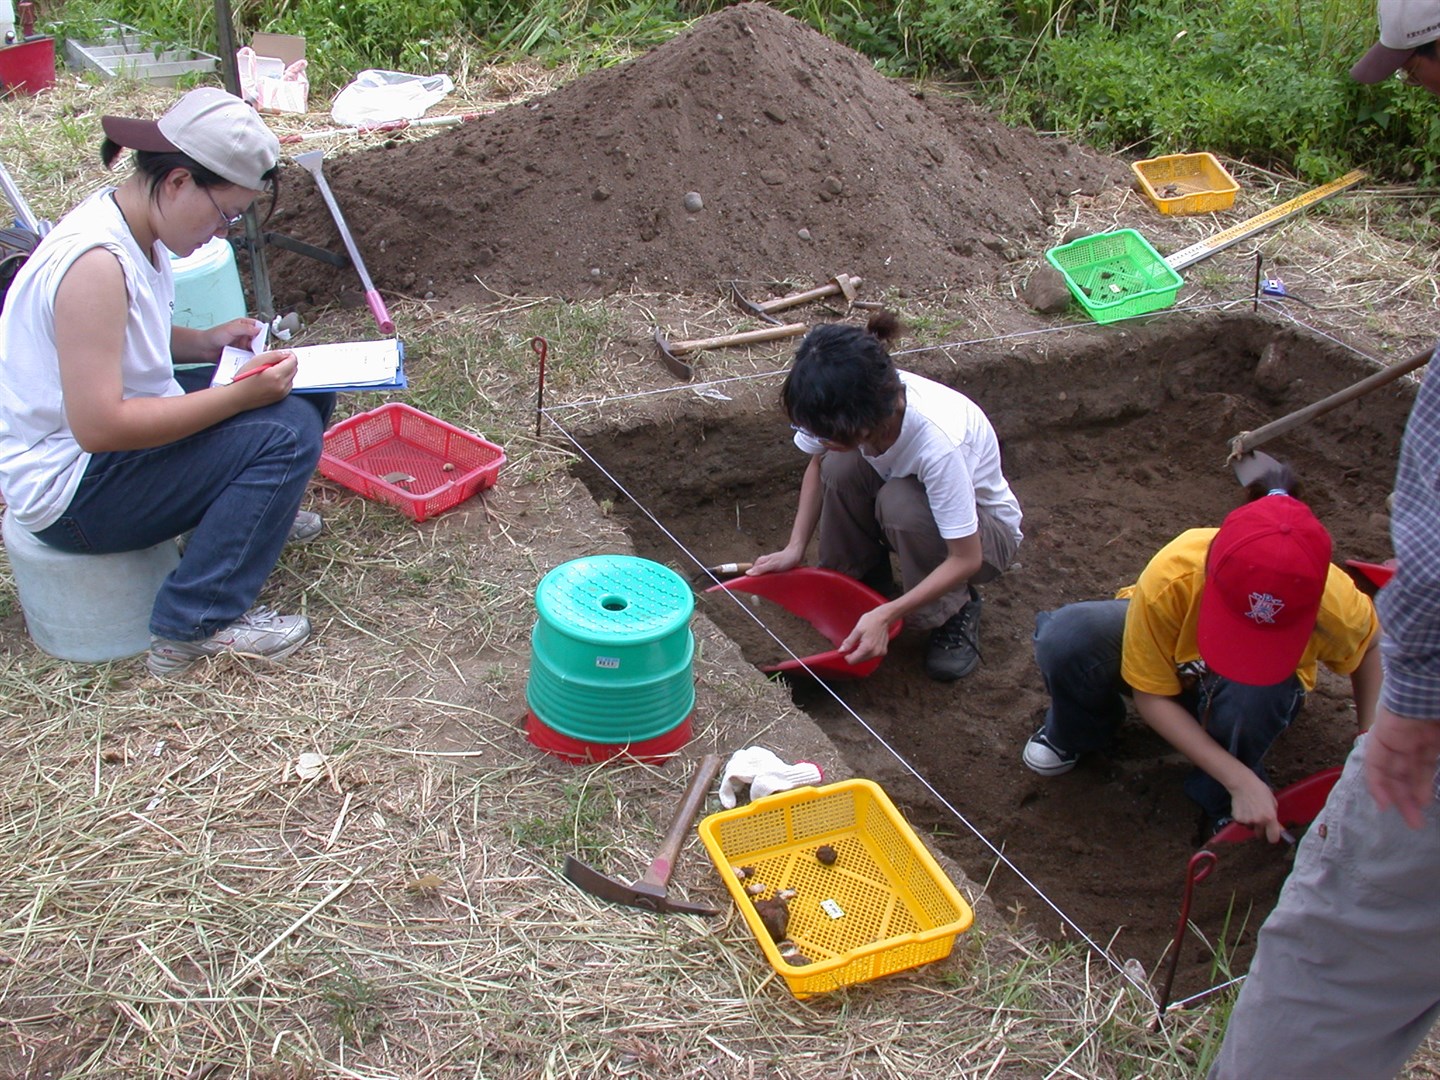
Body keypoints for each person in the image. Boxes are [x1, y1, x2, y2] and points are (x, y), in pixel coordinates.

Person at [1209, 3, 1440, 1073]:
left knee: (1333, 967)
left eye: (1427, 61)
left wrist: (1392, 728)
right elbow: (1148, 683)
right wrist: (1229, 773)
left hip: (1424, 743)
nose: (1417, 86)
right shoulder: (1173, 582)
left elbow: (1396, 634)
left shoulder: (1353, 614)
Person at [0, 87, 335, 677]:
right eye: (225, 214)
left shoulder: (132, 226)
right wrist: (234, 397)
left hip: (100, 454)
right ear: (179, 181)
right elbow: (101, 426)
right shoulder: (95, 264)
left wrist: (203, 342)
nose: (224, 232)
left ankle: (249, 514)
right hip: (72, 493)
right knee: (280, 433)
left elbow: (119, 340)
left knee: (302, 386)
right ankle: (196, 621)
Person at [1023, 463, 1382, 841]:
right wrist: (1241, 779)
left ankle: (1220, 798)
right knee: (1068, 637)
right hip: (1173, 670)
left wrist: (1369, 741)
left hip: (1250, 696)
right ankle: (1080, 731)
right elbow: (1151, 695)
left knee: (1256, 699)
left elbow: (1371, 645)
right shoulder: (1176, 572)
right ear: (1212, 567)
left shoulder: (1334, 601)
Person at [748, 312, 1023, 680]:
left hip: (985, 540)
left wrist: (888, 614)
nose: (816, 436)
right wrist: (794, 548)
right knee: (838, 467)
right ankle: (857, 587)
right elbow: (817, 465)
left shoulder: (938, 444)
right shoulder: (845, 395)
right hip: (919, 508)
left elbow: (966, 558)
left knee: (901, 504)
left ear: (860, 424)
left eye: (825, 432)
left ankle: (952, 610)